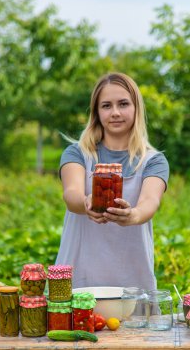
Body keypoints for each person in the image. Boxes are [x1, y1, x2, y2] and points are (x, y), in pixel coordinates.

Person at [56, 72, 169, 290]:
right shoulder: (77, 153)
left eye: (123, 104)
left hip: (133, 283)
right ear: (97, 113)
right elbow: (71, 194)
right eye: (106, 106)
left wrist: (132, 215)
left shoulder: (153, 161)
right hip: (79, 278)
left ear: (136, 108)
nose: (115, 112)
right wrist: (86, 202)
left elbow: (150, 202)